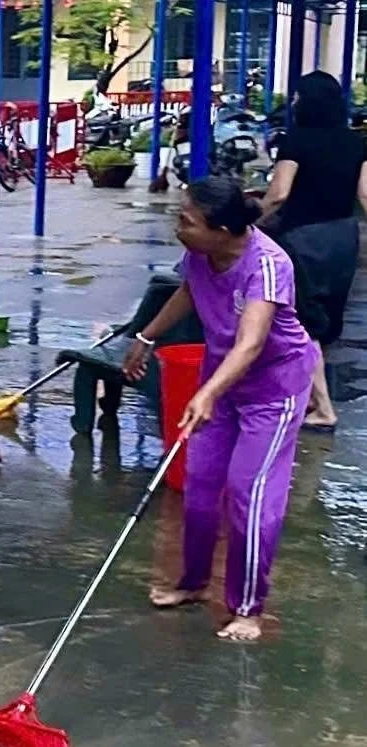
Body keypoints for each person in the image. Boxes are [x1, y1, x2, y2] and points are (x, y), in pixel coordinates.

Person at [124, 178, 316, 642]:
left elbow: (250, 344)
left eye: (186, 221)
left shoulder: (268, 266)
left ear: (224, 229)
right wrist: (147, 337)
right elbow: (189, 290)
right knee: (201, 485)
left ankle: (247, 608)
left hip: (274, 387)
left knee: (249, 492)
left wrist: (206, 392)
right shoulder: (200, 254)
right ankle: (191, 583)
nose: (178, 227)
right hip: (221, 379)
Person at [257, 70, 367, 431]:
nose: (293, 103)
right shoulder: (356, 143)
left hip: (304, 239)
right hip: (343, 237)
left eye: (298, 97)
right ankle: (307, 397)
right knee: (325, 321)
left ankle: (322, 407)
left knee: (303, 322)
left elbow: (279, 194)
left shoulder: (296, 141)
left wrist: (250, 226)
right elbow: (365, 196)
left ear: (308, 102)